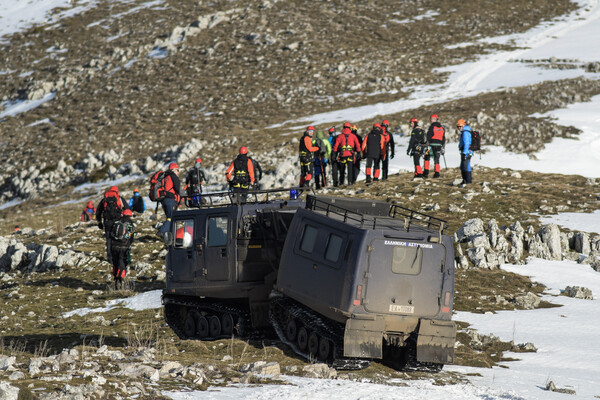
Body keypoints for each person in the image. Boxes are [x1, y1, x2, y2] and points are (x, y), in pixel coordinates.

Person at [96, 186, 127, 264]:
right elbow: (127, 209)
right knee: (119, 239)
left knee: (109, 240)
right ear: (117, 191)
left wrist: (99, 222)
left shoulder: (104, 200)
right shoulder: (119, 198)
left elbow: (98, 211)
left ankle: (110, 258)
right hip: (118, 221)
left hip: (107, 222)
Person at [109, 209, 135, 290]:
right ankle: (119, 280)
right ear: (130, 215)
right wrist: (128, 245)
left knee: (115, 263)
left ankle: (115, 277)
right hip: (123, 247)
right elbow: (131, 237)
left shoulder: (116, 222)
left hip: (113, 246)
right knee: (122, 264)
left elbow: (110, 235)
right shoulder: (130, 224)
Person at [159, 163, 183, 231]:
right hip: (171, 200)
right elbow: (177, 189)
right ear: (173, 170)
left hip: (164, 200)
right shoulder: (173, 176)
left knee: (169, 218)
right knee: (171, 217)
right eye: (177, 170)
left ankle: (171, 236)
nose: (178, 172)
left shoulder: (165, 176)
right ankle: (162, 231)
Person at [425, 114, 446, 178]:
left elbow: (428, 136)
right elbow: (443, 139)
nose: (431, 120)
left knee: (426, 157)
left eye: (432, 119)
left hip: (430, 145)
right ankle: (437, 174)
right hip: (439, 146)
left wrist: (426, 144)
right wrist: (443, 147)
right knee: (437, 159)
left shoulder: (432, 127)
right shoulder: (442, 128)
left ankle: (426, 173)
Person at [457, 119, 473, 185]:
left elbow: (467, 143)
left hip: (466, 152)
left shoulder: (465, 133)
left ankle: (467, 181)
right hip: (467, 152)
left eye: (460, 126)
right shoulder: (465, 132)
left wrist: (464, 153)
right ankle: (466, 181)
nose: (459, 128)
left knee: (465, 166)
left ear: (463, 125)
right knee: (464, 166)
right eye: (458, 127)